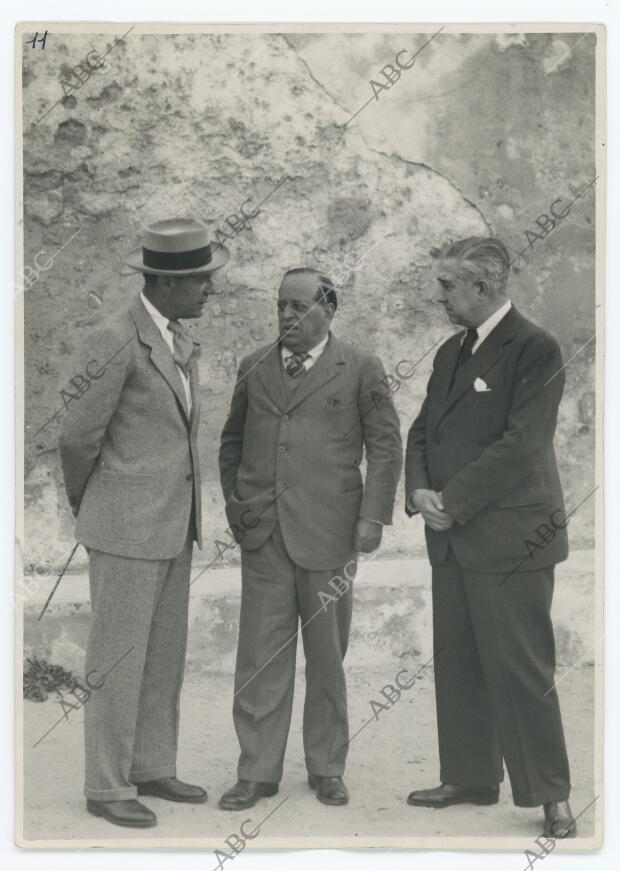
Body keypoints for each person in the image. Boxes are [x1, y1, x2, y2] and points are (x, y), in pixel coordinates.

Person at [58, 218, 229, 828]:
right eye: (201, 281)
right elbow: (78, 439)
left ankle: (151, 764)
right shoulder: (114, 338)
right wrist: (98, 508)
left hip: (172, 526)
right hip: (126, 529)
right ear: (164, 282)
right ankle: (105, 787)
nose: (210, 289)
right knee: (118, 659)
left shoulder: (177, 337)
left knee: (162, 656)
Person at [404, 236, 576, 838]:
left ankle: (551, 795)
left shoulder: (535, 347)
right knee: (460, 662)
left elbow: (522, 445)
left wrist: (452, 499)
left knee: (521, 667)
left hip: (511, 540)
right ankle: (470, 776)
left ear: (483, 287)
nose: (441, 295)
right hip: (451, 536)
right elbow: (423, 429)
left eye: (449, 285)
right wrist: (419, 491)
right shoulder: (453, 351)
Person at [218, 267, 403, 810]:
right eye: (280, 306)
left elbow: (385, 448)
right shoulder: (253, 365)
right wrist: (240, 506)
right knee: (259, 654)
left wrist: (373, 517)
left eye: (298, 307)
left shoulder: (361, 368)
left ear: (328, 311)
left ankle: (326, 766)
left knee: (327, 656)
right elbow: (231, 444)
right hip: (265, 537)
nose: (286, 317)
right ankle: (256, 771)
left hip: (331, 533)